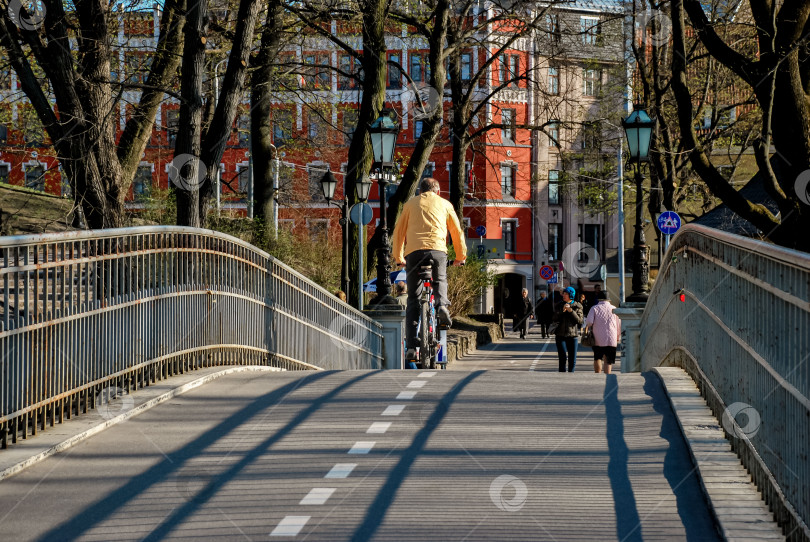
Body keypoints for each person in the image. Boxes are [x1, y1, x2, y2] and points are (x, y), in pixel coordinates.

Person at [391, 177, 466, 359]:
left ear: (420, 192)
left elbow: (398, 232)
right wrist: (460, 257)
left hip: (414, 253)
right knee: (440, 279)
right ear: (438, 191)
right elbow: (456, 231)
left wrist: (399, 258)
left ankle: (411, 347)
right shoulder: (445, 204)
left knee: (413, 300)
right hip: (437, 251)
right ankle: (442, 306)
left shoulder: (410, 204)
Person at [585, 290, 622, 374]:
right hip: (611, 338)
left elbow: (589, 322)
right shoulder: (614, 309)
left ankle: (598, 375)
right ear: (608, 299)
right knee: (608, 360)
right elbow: (618, 324)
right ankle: (607, 376)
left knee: (597, 357)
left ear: (599, 299)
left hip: (597, 338)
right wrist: (617, 336)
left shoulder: (594, 308)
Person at [552, 286, 584, 372]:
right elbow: (554, 318)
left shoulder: (578, 306)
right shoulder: (559, 305)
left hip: (573, 335)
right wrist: (562, 311)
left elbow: (580, 321)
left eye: (566, 294)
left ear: (571, 295)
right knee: (562, 358)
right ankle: (562, 375)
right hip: (560, 335)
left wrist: (571, 311)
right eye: (564, 293)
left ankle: (571, 374)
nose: (563, 295)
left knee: (572, 359)